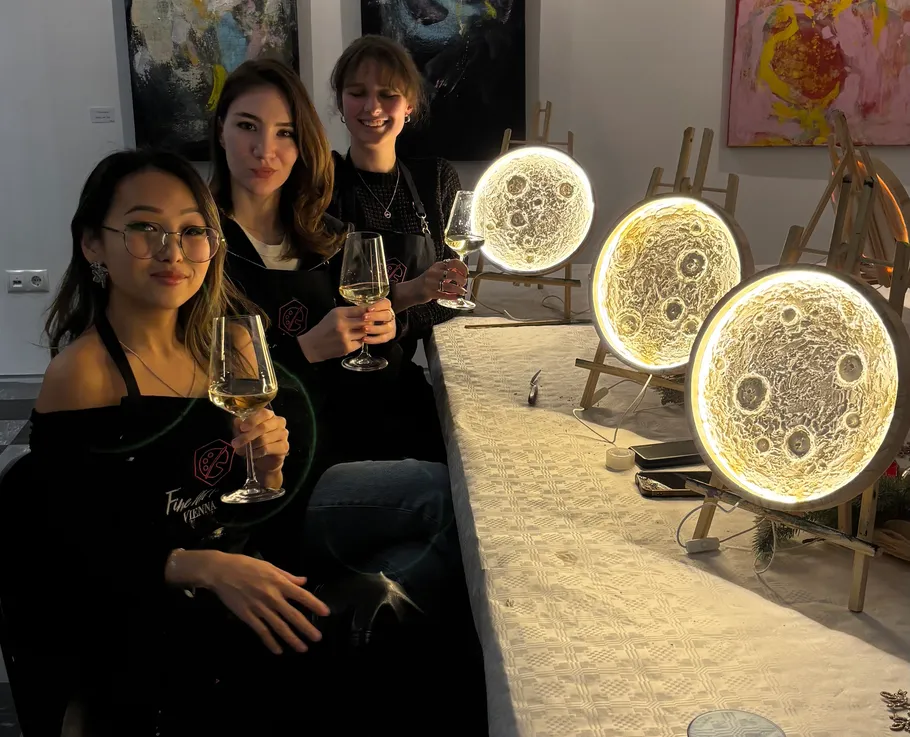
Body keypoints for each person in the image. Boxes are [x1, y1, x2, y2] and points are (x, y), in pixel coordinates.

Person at [7, 150, 330, 736]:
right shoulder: (83, 375)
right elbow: (67, 553)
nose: (172, 251)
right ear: (92, 245)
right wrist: (198, 566)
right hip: (140, 617)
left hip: (231, 577)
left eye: (191, 231)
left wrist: (270, 467)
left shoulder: (229, 348)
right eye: (144, 228)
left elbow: (245, 506)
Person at [210, 59, 488, 735]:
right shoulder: (208, 245)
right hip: (279, 491)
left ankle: (370, 626)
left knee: (466, 504)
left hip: (330, 452)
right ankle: (355, 626)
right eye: (247, 127)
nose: (265, 149)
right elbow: (211, 378)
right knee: (456, 509)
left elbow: (364, 331)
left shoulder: (310, 235)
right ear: (219, 133)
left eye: (283, 133)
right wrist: (308, 350)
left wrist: (389, 317)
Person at [328, 34, 469, 464]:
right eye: (357, 93)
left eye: (387, 95)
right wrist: (409, 297)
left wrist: (400, 326)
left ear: (409, 106)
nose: (372, 108)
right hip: (337, 392)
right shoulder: (321, 185)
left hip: (405, 378)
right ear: (341, 103)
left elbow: (454, 294)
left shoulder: (436, 180)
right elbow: (322, 299)